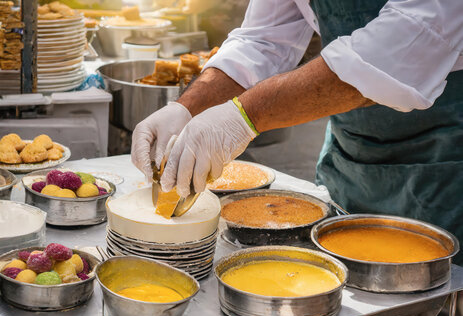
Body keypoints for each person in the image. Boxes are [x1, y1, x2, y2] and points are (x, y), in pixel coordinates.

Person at [132, 0, 463, 263]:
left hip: (449, 153)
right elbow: (263, 39)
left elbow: (398, 50)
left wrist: (243, 116)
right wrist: (187, 108)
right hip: (353, 156)